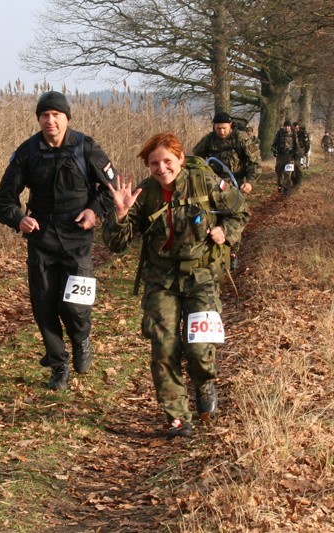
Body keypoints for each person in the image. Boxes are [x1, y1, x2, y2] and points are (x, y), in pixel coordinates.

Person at [102, 132, 249, 439]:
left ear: (181, 159)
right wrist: (120, 214)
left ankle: (203, 383)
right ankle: (177, 417)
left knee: (197, 349)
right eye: (154, 163)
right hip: (162, 280)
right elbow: (117, 244)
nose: (161, 168)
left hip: (203, 277)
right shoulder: (144, 193)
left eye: (167, 161)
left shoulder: (206, 184)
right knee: (163, 347)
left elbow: (240, 210)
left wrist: (226, 230)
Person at [0, 91, 116, 391]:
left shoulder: (86, 147)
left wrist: (94, 210)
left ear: (67, 118)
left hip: (77, 238)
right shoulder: (27, 152)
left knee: (75, 306)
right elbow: (3, 201)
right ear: (39, 119)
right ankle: (58, 364)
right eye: (45, 115)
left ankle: (81, 338)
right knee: (44, 305)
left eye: (56, 115)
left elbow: (110, 187)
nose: (50, 121)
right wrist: (19, 219)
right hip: (42, 239)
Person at [192, 112, 260, 270]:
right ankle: (212, 252)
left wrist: (250, 182)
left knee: (234, 217)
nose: (221, 132)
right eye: (218, 128)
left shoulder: (241, 138)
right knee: (213, 217)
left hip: (236, 184)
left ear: (230, 126)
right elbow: (196, 157)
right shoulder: (209, 139)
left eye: (224, 128)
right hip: (213, 186)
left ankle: (233, 253)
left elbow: (254, 162)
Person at [271, 120, 300, 194]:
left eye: (288, 126)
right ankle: (280, 186)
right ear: (283, 127)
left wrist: (295, 155)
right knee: (279, 173)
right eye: (285, 126)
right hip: (280, 157)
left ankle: (286, 190)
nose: (287, 128)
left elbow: (297, 146)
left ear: (290, 127)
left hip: (290, 157)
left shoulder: (293, 134)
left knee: (287, 174)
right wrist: (274, 151)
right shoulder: (279, 133)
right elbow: (274, 145)